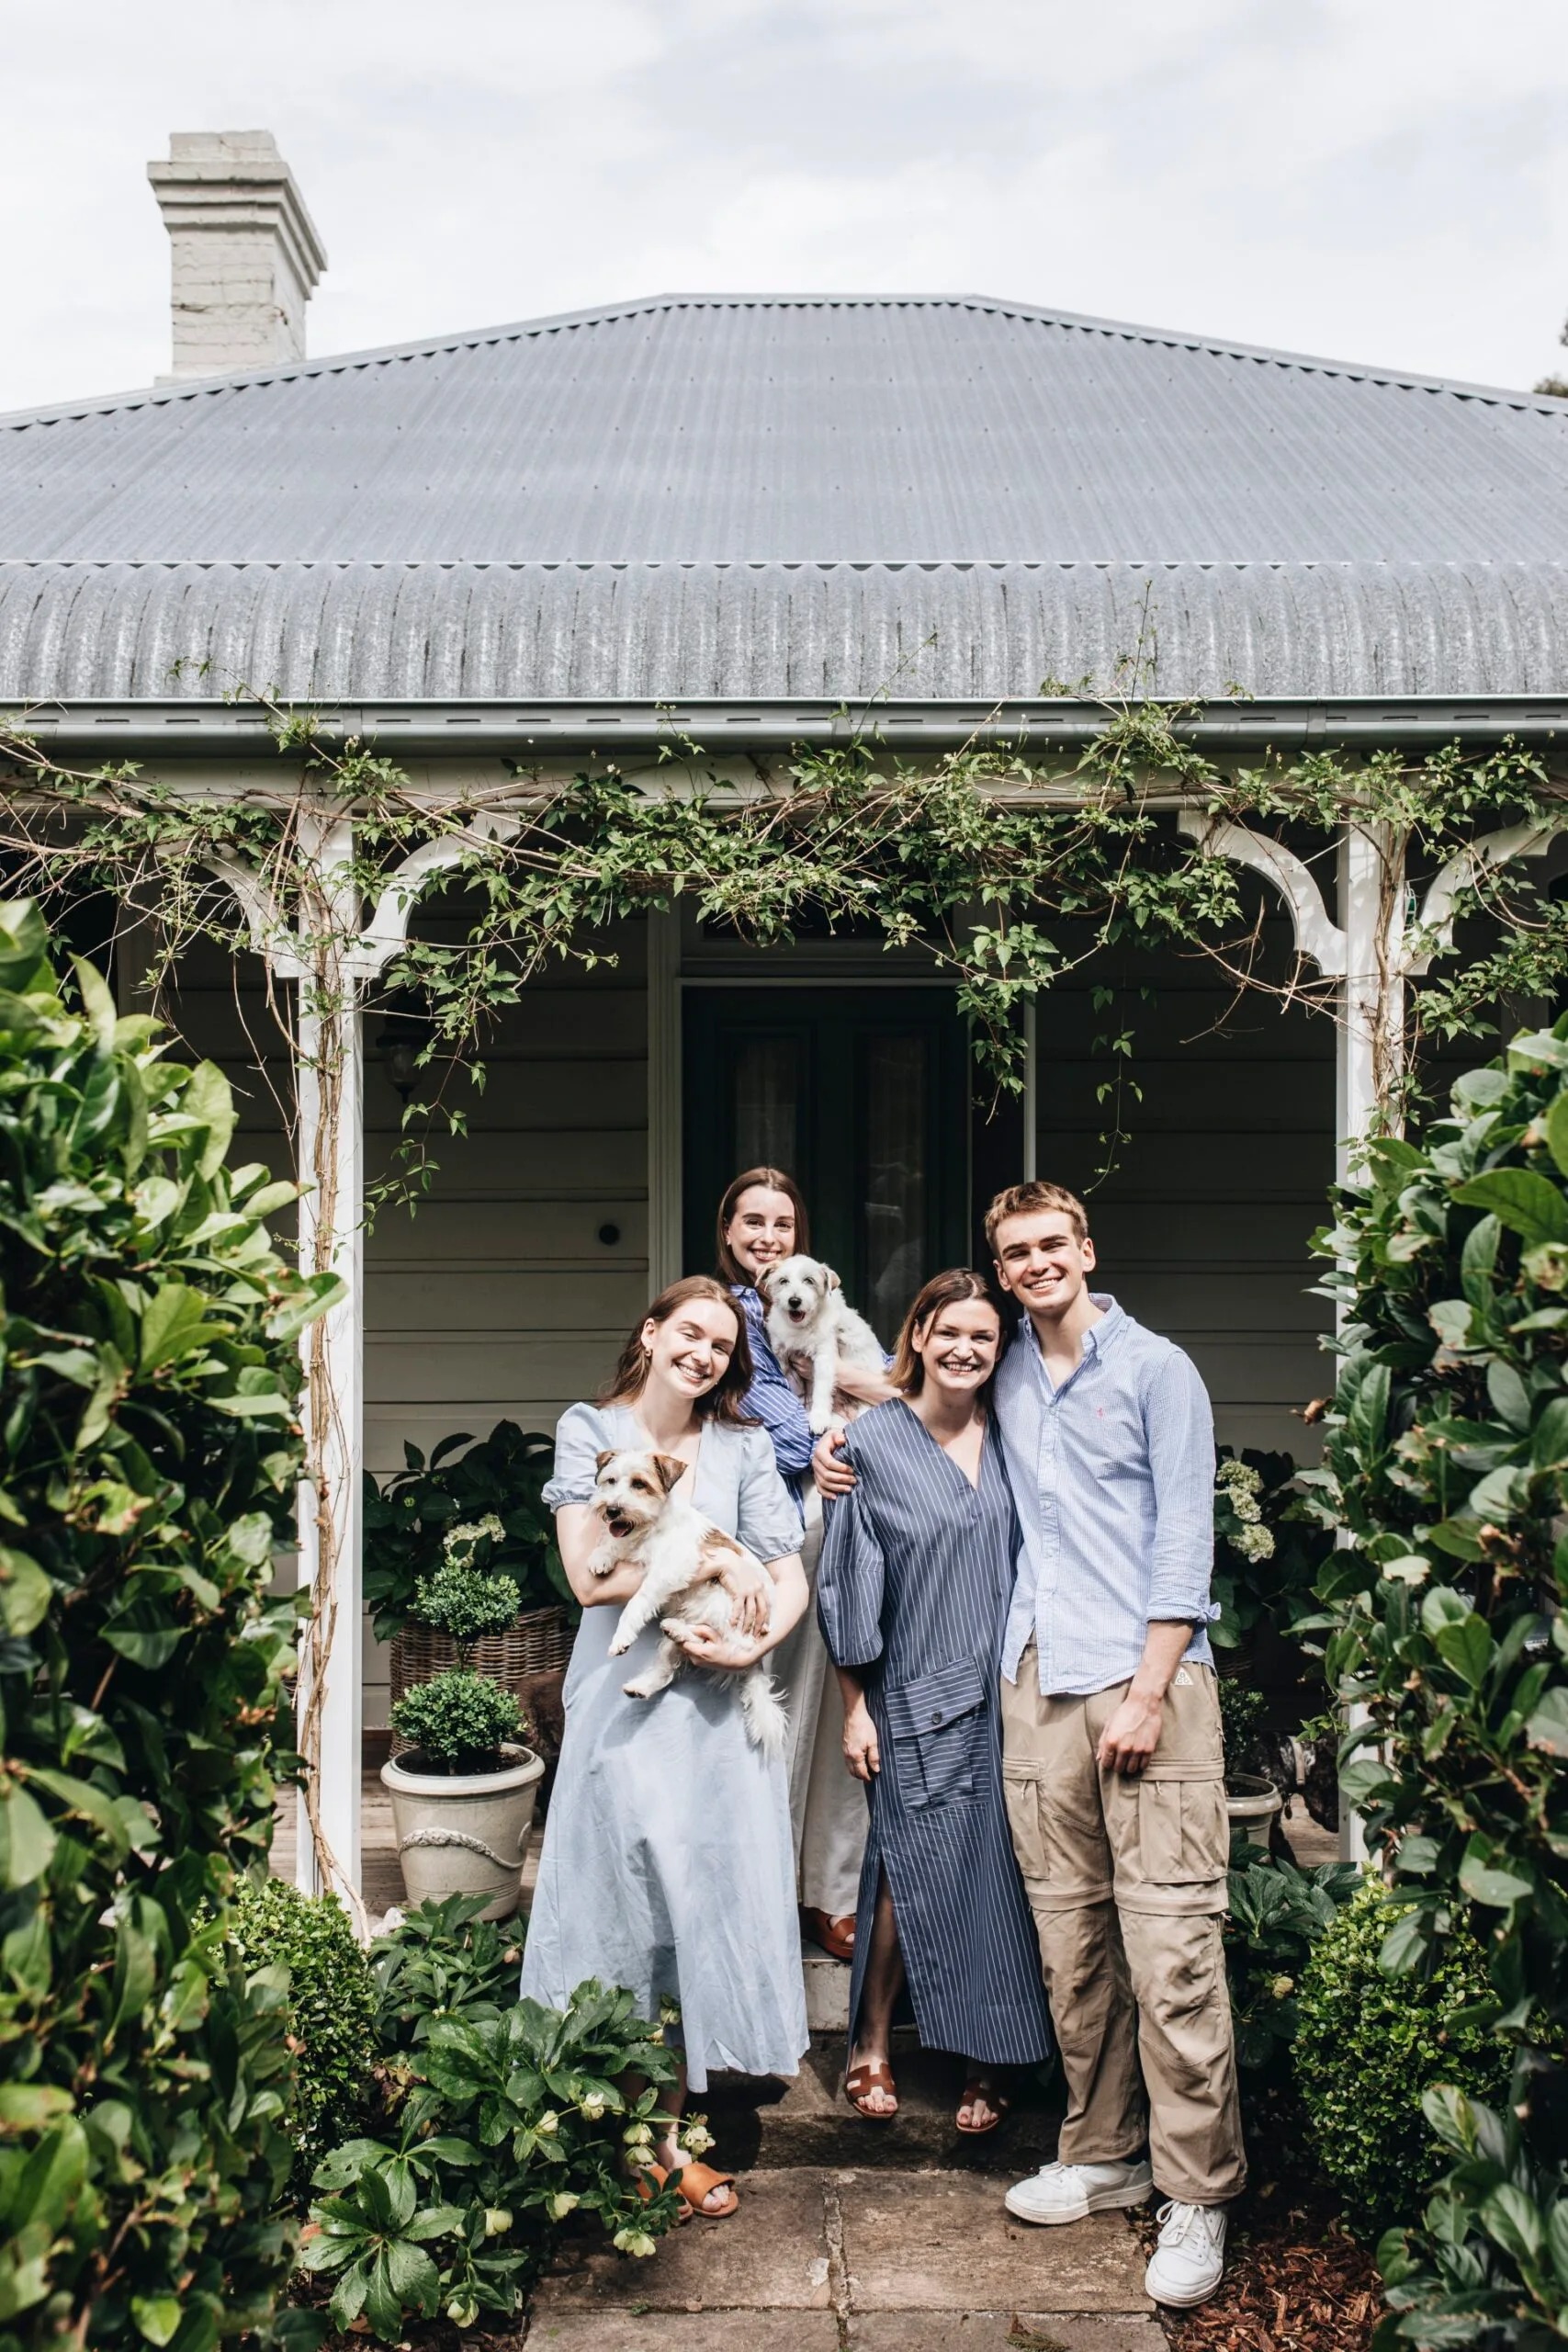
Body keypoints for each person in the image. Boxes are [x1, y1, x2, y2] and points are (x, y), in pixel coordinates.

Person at [986, 1178, 1242, 2312]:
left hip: (1150, 1686)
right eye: (1016, 1253)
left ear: (1086, 1247)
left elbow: (1186, 1536)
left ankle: (1199, 2192)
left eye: (1053, 1244)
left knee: (1172, 1946)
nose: (1038, 1263)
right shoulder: (1002, 1370)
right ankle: (1103, 2152)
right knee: (1072, 1940)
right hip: (1039, 1679)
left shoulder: (1156, 1370)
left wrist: (1145, 1695)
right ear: (1000, 1271)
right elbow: (899, 1395)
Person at [520, 1275, 810, 2220]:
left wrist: (756, 1636)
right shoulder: (589, 1430)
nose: (704, 1353)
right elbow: (587, 1574)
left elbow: (787, 1573)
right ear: (651, 1333)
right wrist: (716, 1557)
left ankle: (669, 2137)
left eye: (722, 1345)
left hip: (719, 1705)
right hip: (622, 1703)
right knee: (622, 1907)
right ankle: (620, 2132)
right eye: (690, 1332)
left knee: (697, 1914)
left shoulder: (744, 1445)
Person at [815, 1270, 1052, 2134]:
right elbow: (844, 1588)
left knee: (1004, 1873)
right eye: (947, 1331)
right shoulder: (867, 1445)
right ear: (915, 1334)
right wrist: (855, 1706)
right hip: (911, 1691)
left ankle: (988, 2057)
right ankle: (871, 2040)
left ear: (1001, 1350)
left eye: (983, 1337)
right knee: (902, 1871)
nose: (963, 1349)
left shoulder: (1021, 1434)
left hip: (1018, 1691)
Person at [715, 1167, 893, 1961]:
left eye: (781, 1225)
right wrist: (826, 1439)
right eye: (751, 1222)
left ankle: (824, 1889)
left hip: (822, 1525)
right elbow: (774, 1419)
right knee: (760, 1705)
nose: (766, 1236)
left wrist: (858, 1401)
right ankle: (757, 1887)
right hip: (758, 1531)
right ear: (728, 1234)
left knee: (830, 1708)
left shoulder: (814, 1307)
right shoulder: (724, 1312)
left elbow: (889, 1387)